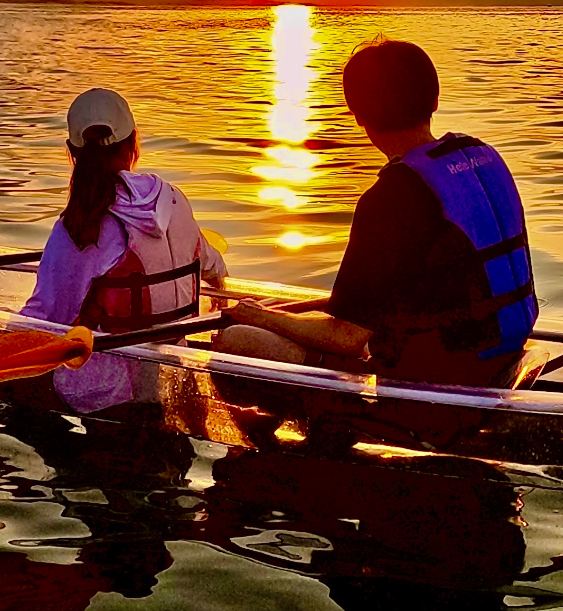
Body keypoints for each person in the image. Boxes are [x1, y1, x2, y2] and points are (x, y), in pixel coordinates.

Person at [216, 39, 537, 387]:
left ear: (358, 115)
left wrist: (263, 317)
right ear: (435, 99)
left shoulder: (392, 196)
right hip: (502, 357)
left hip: (428, 384)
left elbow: (347, 337)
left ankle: (322, 436)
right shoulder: (481, 159)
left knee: (237, 340)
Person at [0, 87, 227, 410]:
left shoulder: (79, 229)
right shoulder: (174, 200)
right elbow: (214, 266)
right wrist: (219, 288)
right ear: (134, 142)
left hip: (96, 397)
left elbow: (28, 332)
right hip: (170, 385)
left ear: (72, 152)